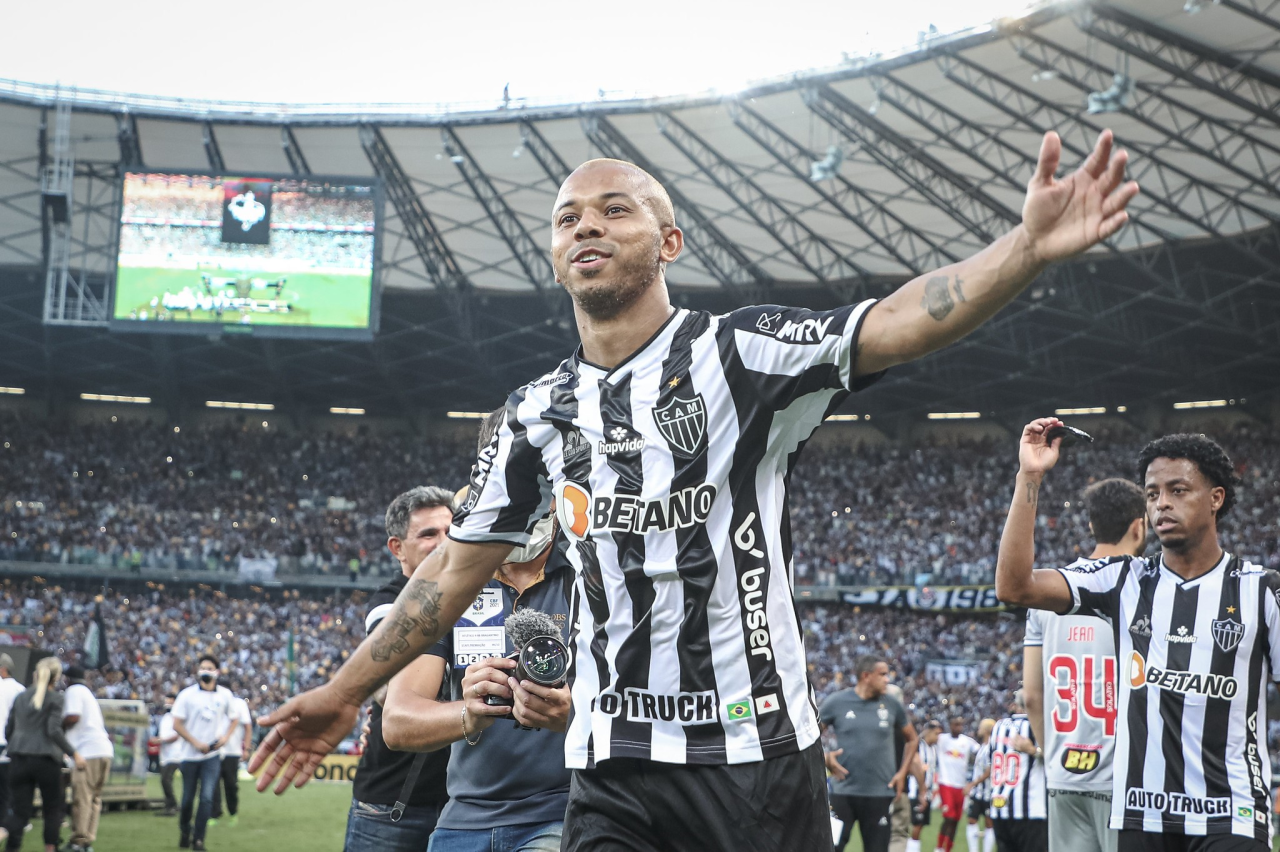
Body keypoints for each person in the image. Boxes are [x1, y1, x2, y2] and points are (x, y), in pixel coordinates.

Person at [252, 127, 1140, 851]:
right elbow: (448, 574)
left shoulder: (741, 355)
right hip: (609, 769)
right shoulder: (536, 415)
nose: (586, 227)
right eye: (567, 219)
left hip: (752, 762)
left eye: (614, 209)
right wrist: (340, 695)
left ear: (668, 242)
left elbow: (899, 320)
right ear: (557, 256)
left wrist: (1025, 247)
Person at [997, 421, 1278, 852]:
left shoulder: (1261, 590)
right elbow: (1014, 587)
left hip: (1231, 815)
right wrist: (1030, 477)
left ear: (1216, 498)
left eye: (1178, 490)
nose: (1161, 504)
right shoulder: (1123, 579)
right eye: (1151, 494)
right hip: (1141, 816)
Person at [381, 477, 572, 852]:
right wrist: (469, 713)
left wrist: (573, 715)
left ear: (555, 506)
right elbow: (397, 721)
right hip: (464, 818)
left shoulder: (591, 577)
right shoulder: (449, 588)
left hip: (559, 813)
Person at [1023, 478, 1145, 852]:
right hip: (1126, 779)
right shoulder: (1148, 586)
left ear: (1091, 525)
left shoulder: (1048, 593)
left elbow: (1031, 696)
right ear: (1140, 526)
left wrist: (1050, 755)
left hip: (1063, 774)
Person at [345, 486, 454, 852]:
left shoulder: (480, 599)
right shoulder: (388, 604)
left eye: (450, 531)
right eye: (428, 534)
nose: (444, 541)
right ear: (397, 548)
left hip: (464, 808)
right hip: (393, 807)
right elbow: (387, 685)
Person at [819, 656, 918, 852]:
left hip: (879, 794)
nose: (887, 679)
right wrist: (825, 758)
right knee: (830, 848)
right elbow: (810, 738)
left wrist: (902, 772)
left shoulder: (892, 704)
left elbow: (913, 739)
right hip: (842, 792)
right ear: (866, 676)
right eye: (882, 674)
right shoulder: (837, 702)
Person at [5, 656, 86, 852]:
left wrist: (18, 746)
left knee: (19, 812)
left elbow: (9, 730)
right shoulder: (56, 698)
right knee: (52, 810)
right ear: (56, 677)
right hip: (46, 760)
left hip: (18, 758)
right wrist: (74, 754)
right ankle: (50, 848)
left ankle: (11, 848)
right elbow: (53, 730)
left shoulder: (21, 697)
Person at [172, 656, 238, 851]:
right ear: (198, 671)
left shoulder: (225, 695)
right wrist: (195, 742)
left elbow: (234, 718)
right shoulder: (187, 695)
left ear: (217, 672)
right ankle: (185, 829)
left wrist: (225, 737)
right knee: (187, 800)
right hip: (189, 755)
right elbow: (177, 724)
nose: (205, 671)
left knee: (207, 797)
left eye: (209, 668)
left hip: (212, 756)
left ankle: (199, 839)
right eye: (202, 668)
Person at [62, 664, 115, 852]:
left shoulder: (74, 691)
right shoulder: (87, 693)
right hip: (104, 750)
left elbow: (74, 716)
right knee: (94, 799)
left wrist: (57, 725)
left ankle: (77, 841)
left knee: (82, 798)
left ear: (67, 679)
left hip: (88, 752)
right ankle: (87, 841)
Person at [988, 693, 1047, 852]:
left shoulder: (998, 726)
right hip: (1030, 811)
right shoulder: (1037, 726)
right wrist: (1034, 750)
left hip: (999, 809)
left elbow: (990, 759)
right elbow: (1058, 758)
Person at [209, 678, 251, 827]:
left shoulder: (239, 704)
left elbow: (247, 726)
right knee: (213, 784)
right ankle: (215, 813)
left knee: (231, 784)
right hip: (214, 751)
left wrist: (246, 748)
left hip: (232, 751)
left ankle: (233, 813)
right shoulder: (211, 703)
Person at [936, 716, 978, 852]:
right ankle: (938, 848)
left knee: (955, 820)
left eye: (960, 725)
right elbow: (927, 737)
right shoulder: (942, 739)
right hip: (946, 783)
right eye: (955, 724)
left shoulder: (967, 742)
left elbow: (981, 751)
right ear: (950, 725)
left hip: (960, 786)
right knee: (948, 817)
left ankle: (948, 848)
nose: (958, 727)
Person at [906, 721, 940, 852]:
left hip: (927, 793)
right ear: (928, 731)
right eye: (936, 733)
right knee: (916, 824)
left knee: (919, 826)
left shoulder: (933, 749)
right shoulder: (918, 746)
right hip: (915, 792)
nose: (938, 737)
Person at [0, 654, 25, 832]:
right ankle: (7, 821)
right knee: (8, 787)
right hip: (11, 744)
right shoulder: (20, 690)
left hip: (6, 742)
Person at [964, 718, 997, 852]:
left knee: (989, 823)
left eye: (981, 727)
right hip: (978, 793)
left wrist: (972, 784)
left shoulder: (991, 747)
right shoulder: (982, 746)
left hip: (988, 792)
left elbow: (989, 771)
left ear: (987, 730)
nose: (978, 729)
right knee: (972, 820)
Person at [155, 694, 181, 817]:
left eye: (171, 701)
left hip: (175, 753)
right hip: (165, 754)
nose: (168, 703)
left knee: (166, 779)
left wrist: (161, 740)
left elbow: (177, 735)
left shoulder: (177, 717)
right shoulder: (165, 717)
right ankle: (171, 804)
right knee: (165, 780)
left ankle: (172, 805)